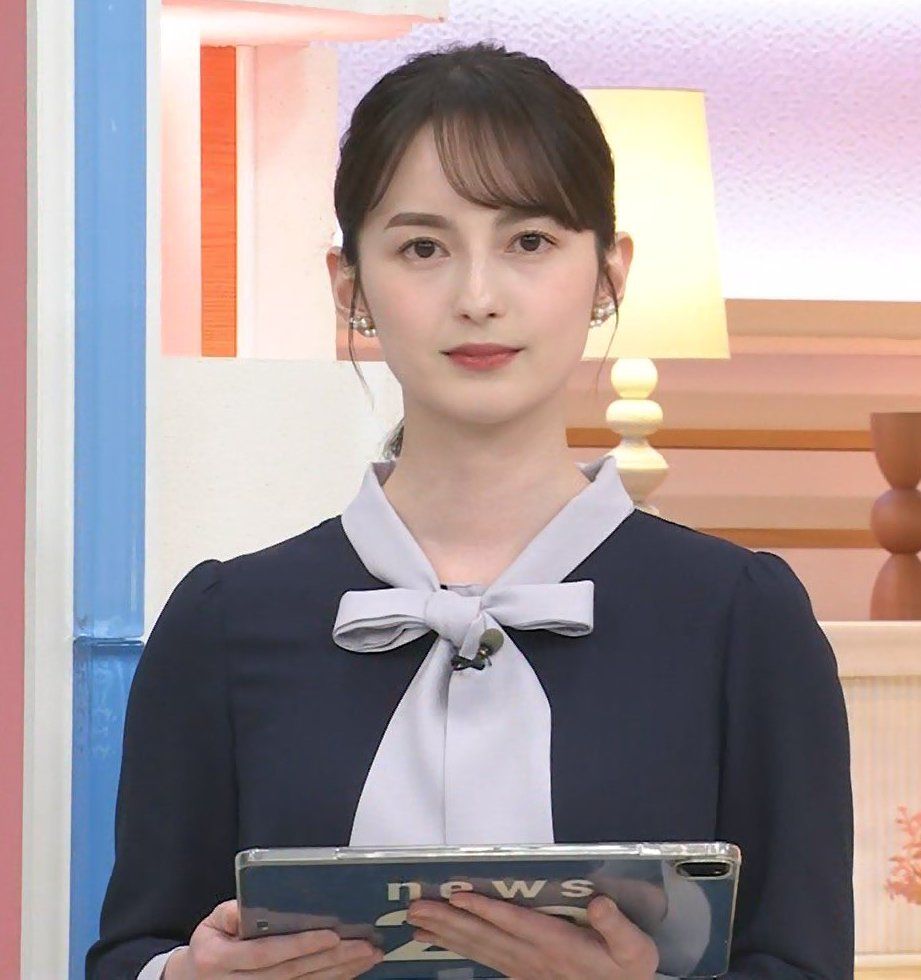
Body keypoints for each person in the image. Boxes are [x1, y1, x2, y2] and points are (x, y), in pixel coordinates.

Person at [86, 40, 854, 980]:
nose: (478, 297)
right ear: (349, 286)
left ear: (608, 274)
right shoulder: (221, 622)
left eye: (529, 242)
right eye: (422, 248)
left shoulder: (740, 616)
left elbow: (804, 960)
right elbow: (130, 949)